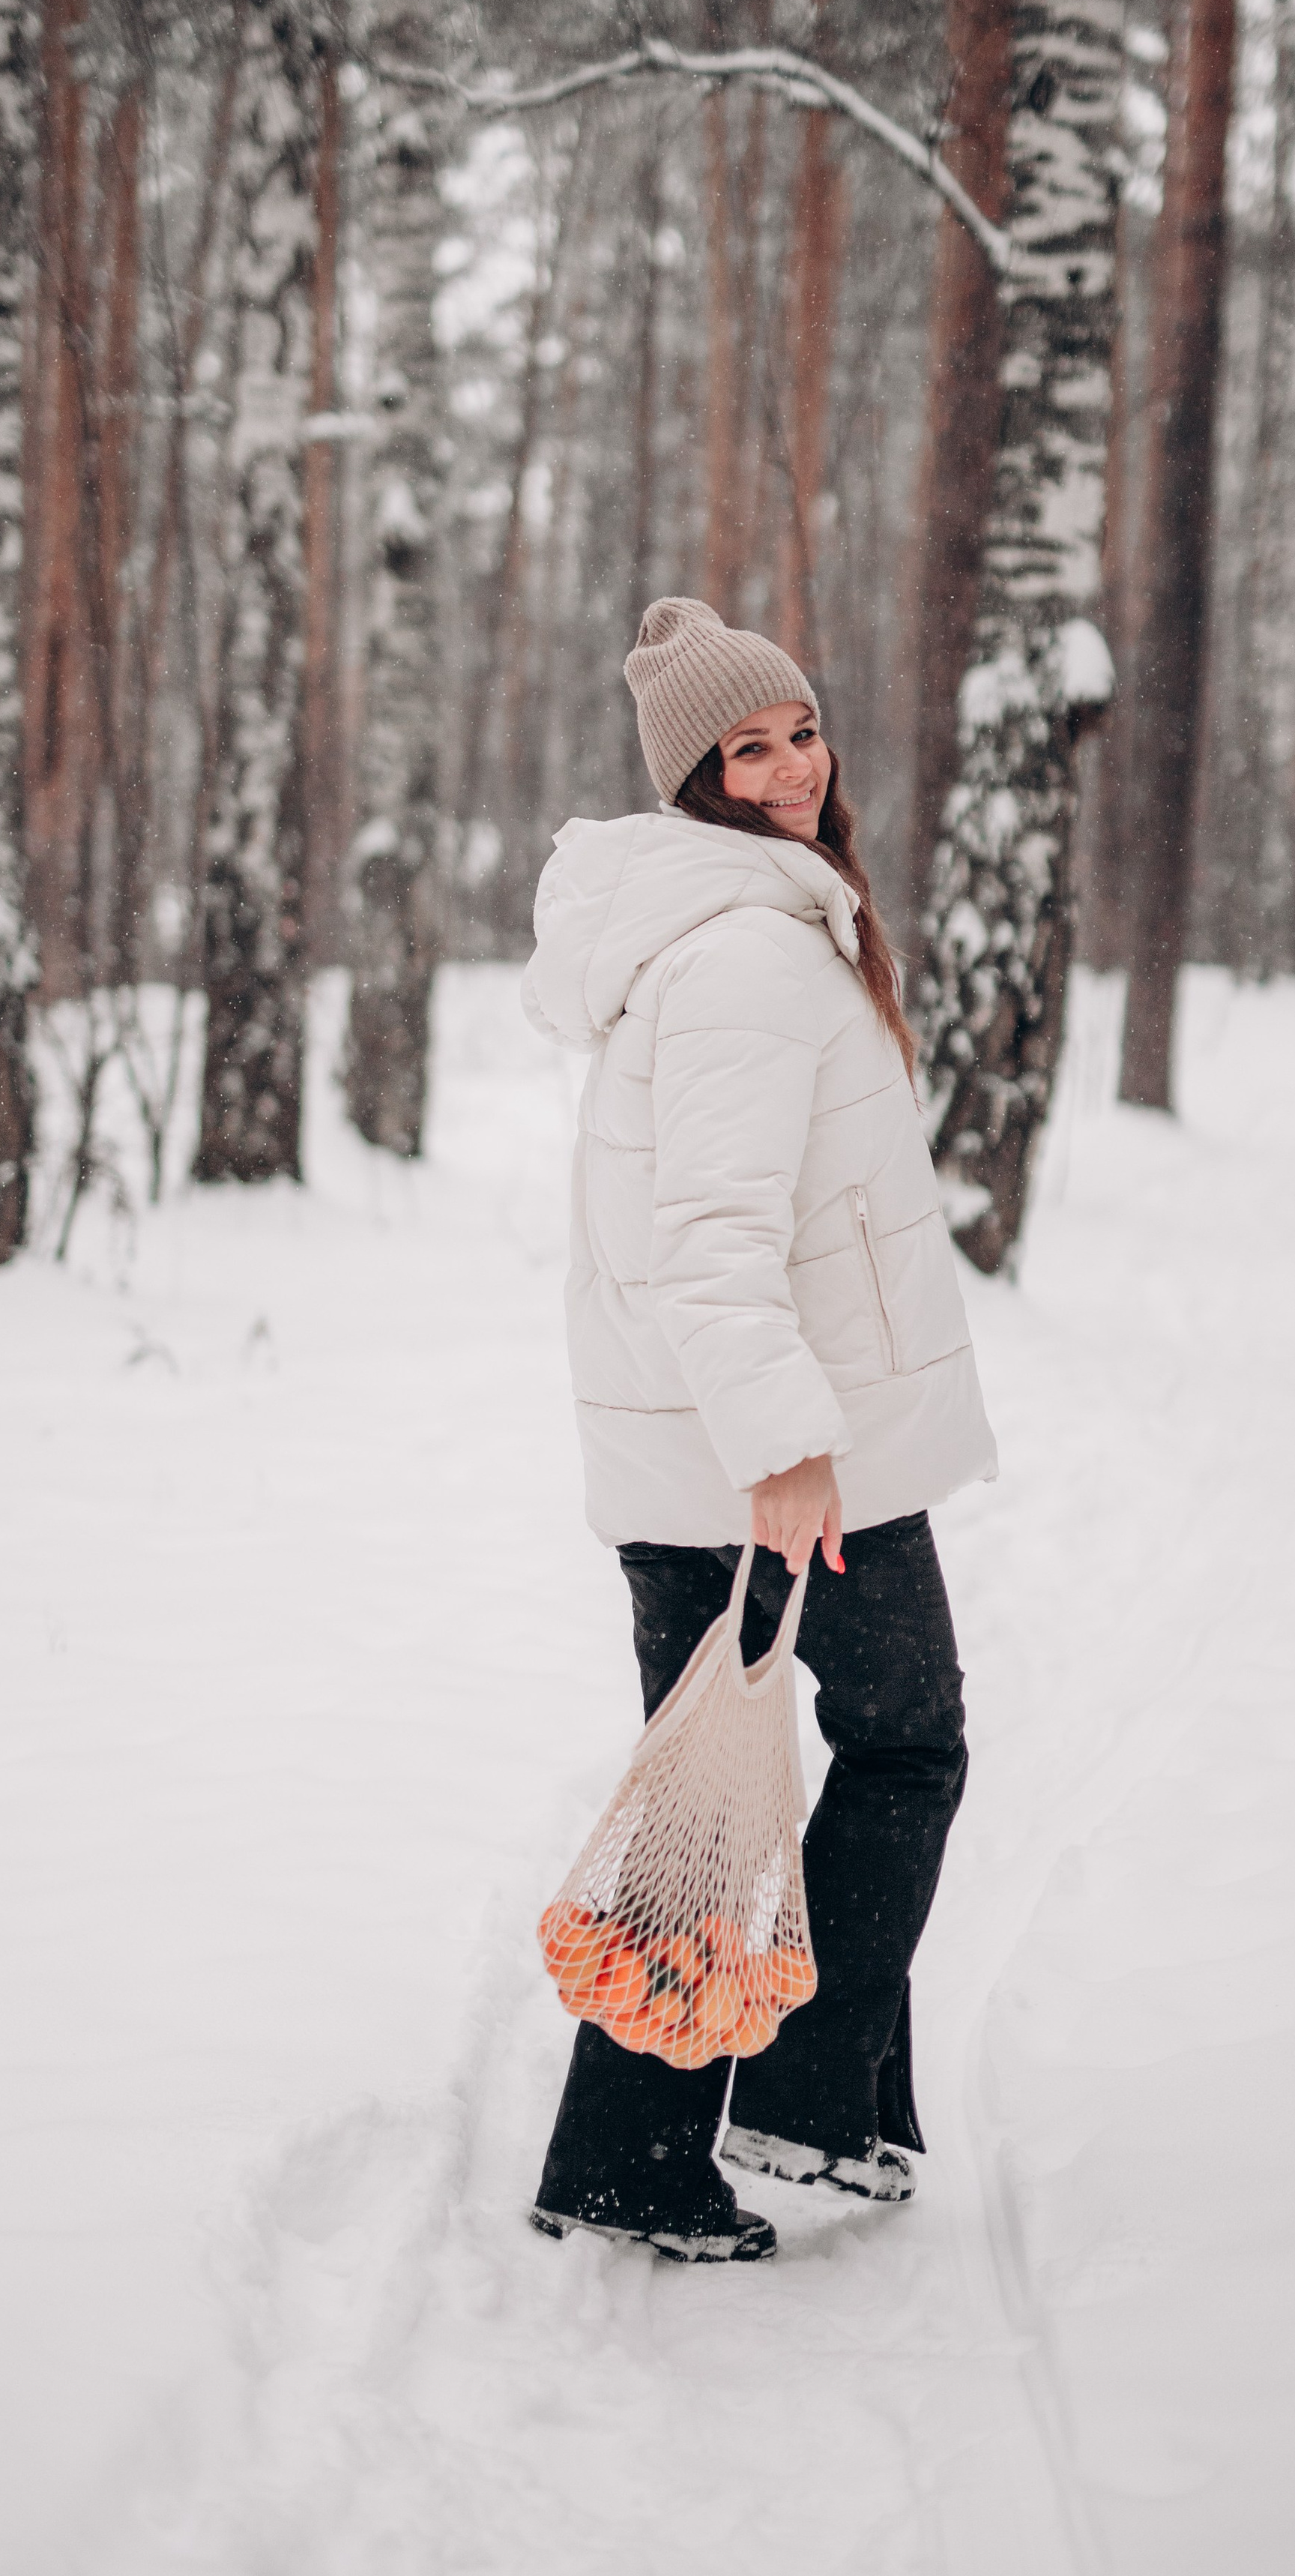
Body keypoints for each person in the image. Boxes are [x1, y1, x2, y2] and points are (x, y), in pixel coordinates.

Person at [522, 597, 997, 2263]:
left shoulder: (761, 920)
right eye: (748, 747)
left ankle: (706, 2132)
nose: (790, 765)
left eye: (797, 729)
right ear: (696, 780)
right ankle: (798, 2092)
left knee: (707, 1806)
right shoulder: (736, 950)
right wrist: (787, 1450)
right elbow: (709, 1236)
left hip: (737, 1450)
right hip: (776, 1458)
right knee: (901, 1745)